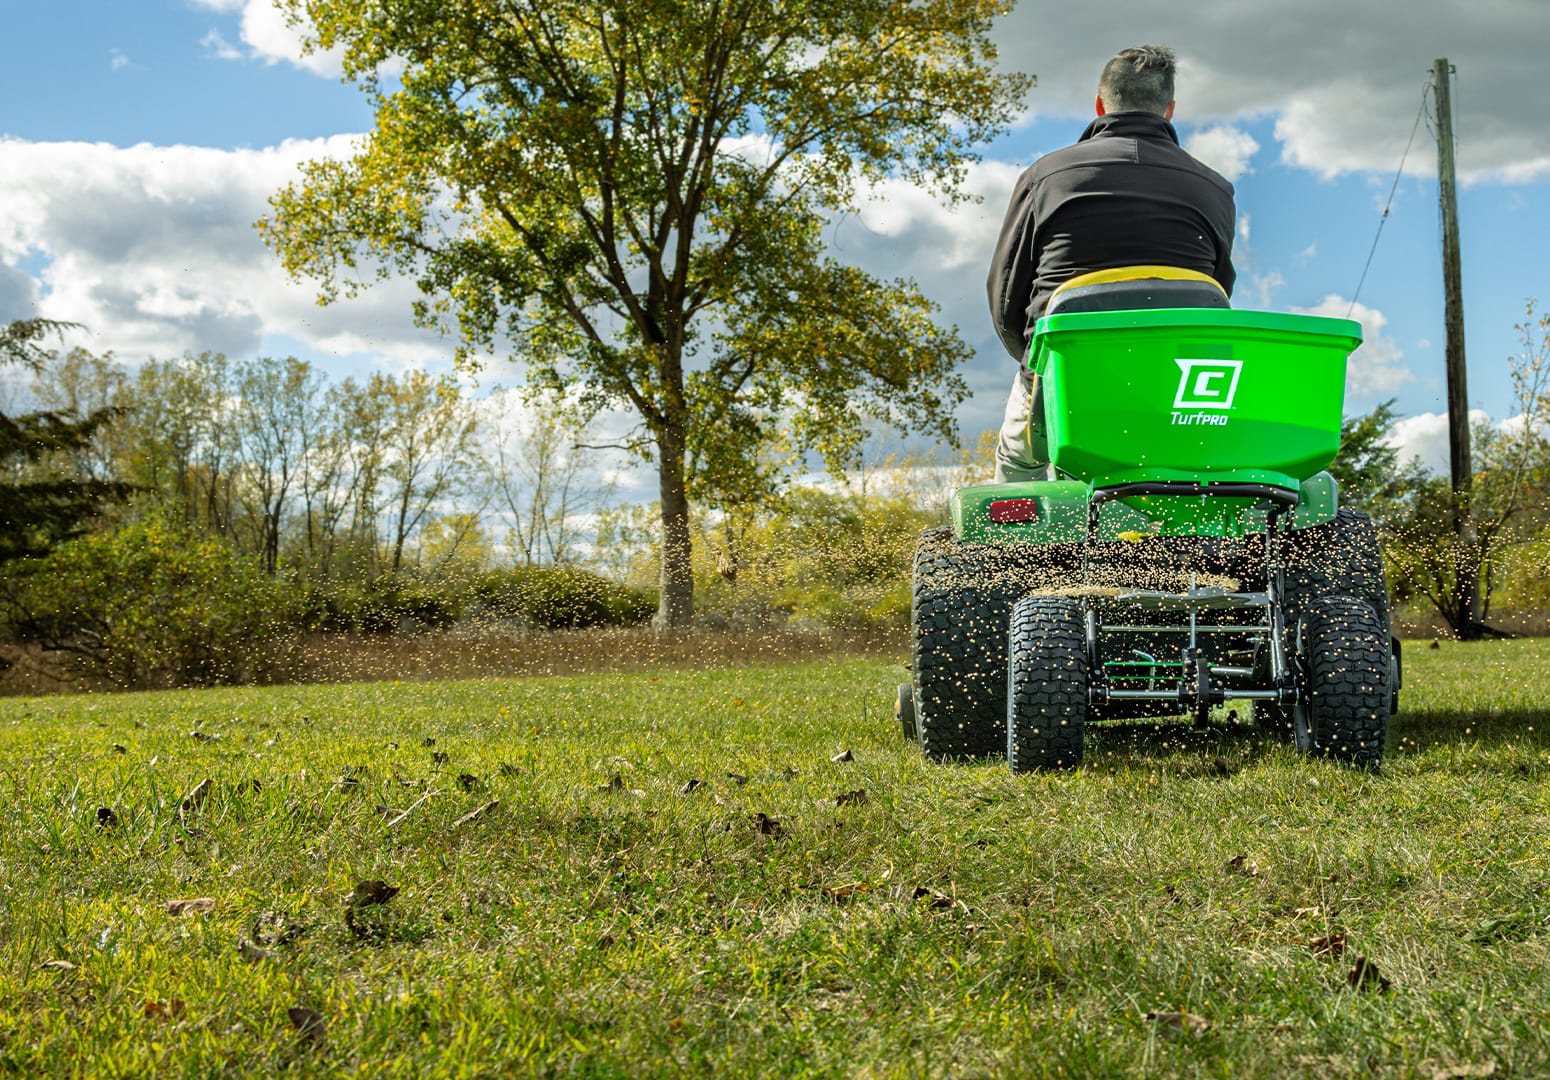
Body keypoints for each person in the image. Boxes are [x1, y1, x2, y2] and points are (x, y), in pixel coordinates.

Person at [986, 45, 1238, 482]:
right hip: (1176, 394)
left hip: (1061, 382)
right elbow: (1217, 293)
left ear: (1101, 104)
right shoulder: (1215, 188)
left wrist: (1035, 362)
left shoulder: (1045, 178)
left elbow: (1006, 294)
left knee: (1019, 463)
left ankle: (1013, 549)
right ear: (1169, 111)